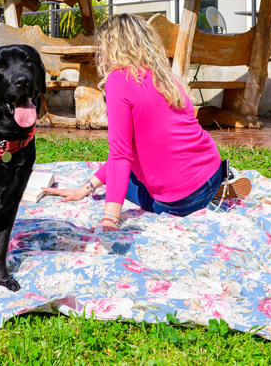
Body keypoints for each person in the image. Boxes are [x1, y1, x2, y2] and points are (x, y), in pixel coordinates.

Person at [43, 13, 251, 232]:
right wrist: (85, 189)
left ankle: (202, 195)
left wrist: (109, 219)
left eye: (102, 45)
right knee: (130, 166)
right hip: (211, 171)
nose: (100, 52)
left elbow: (121, 156)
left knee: (123, 177)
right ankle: (218, 188)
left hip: (181, 201)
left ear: (113, 46)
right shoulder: (165, 78)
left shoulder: (119, 79)